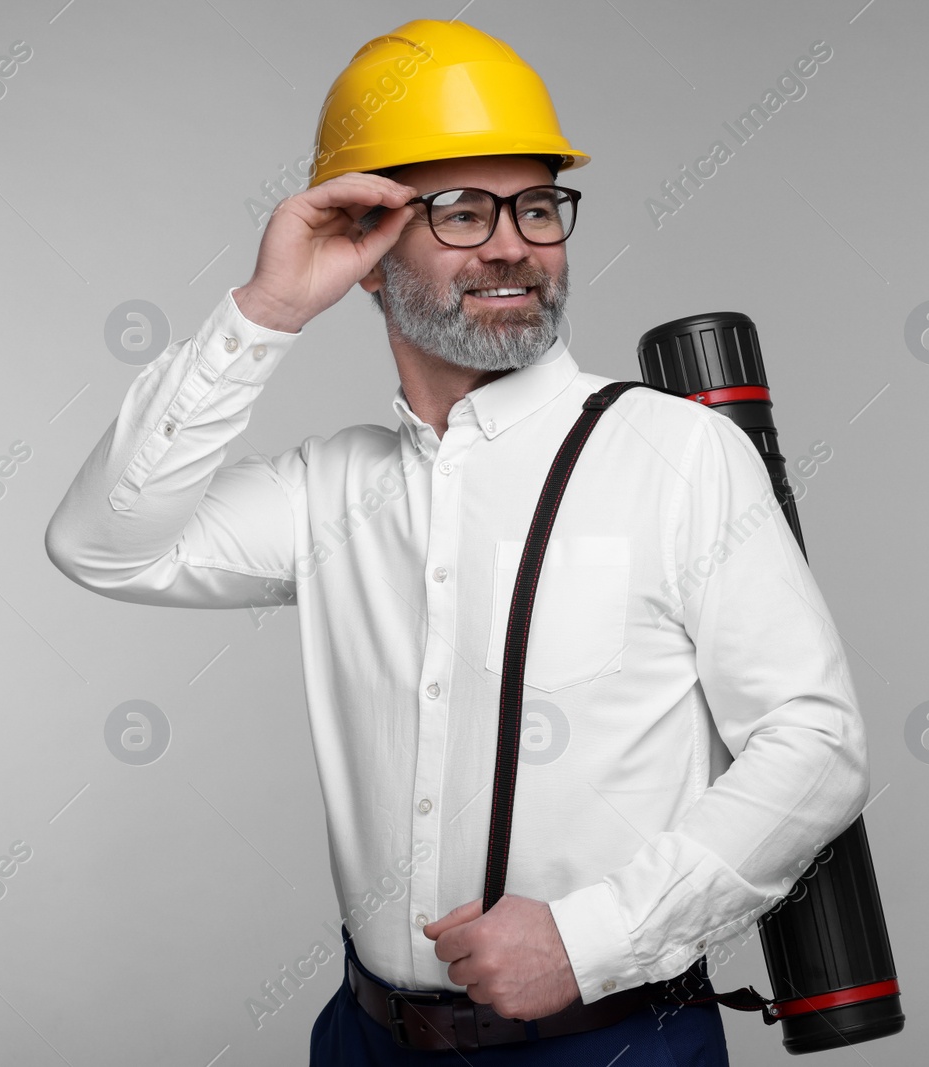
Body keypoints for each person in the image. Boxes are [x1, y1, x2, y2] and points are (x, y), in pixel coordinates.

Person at [43, 19, 869, 1066]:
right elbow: (102, 541)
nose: (514, 241)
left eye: (536, 205)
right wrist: (266, 310)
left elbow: (814, 743)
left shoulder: (678, 455)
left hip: (608, 1043)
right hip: (365, 1039)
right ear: (372, 253)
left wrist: (590, 935)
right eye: (463, 212)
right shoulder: (330, 489)